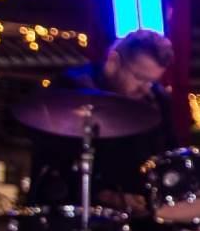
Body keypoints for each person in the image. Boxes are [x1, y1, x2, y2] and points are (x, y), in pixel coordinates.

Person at [25, 30, 180, 214]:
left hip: (138, 216)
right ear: (114, 61)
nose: (145, 89)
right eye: (139, 78)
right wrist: (107, 196)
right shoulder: (72, 87)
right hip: (72, 210)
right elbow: (55, 164)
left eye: (152, 81)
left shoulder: (157, 99)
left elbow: (168, 156)